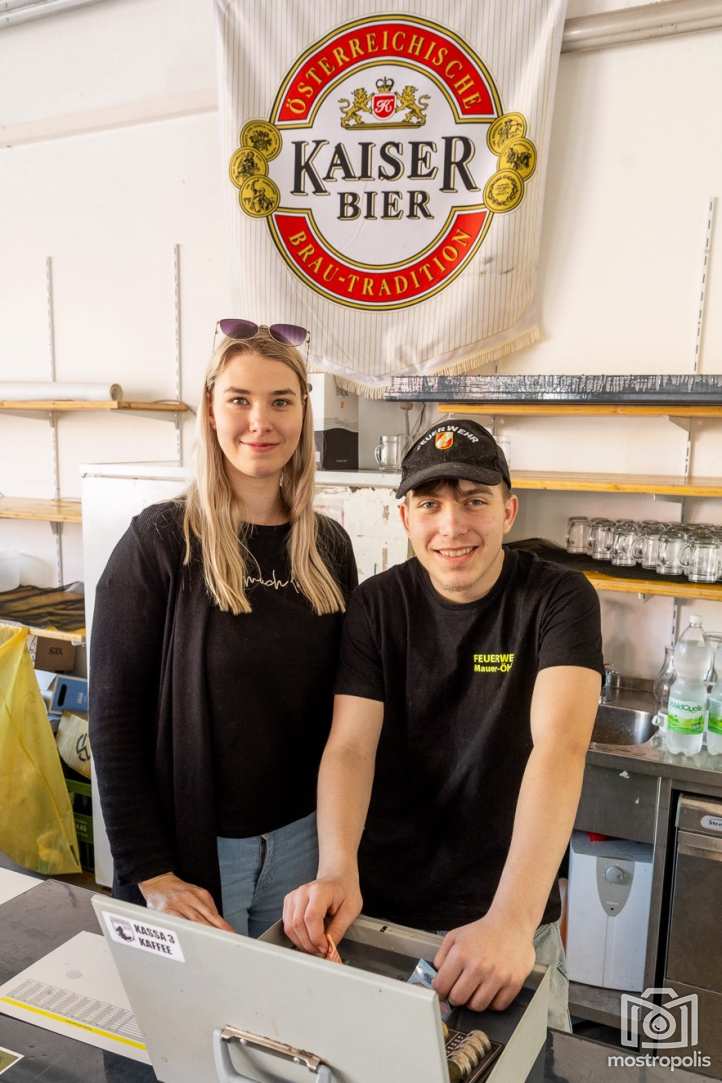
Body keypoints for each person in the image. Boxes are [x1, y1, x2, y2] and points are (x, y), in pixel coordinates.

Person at [283, 419, 603, 1029]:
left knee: (522, 1069)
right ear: (405, 518)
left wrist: (510, 922)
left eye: (474, 501)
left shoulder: (558, 598)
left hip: (507, 925)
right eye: (430, 504)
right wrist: (336, 868)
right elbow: (350, 747)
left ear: (508, 511)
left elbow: (560, 747)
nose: (452, 526)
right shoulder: (377, 605)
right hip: (382, 918)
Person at [89, 321, 357, 937]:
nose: (260, 422)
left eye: (280, 401)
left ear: (303, 414)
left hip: (304, 846)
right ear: (210, 411)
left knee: (284, 1000)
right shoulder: (161, 542)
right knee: (197, 1002)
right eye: (240, 399)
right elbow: (113, 717)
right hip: (197, 850)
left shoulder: (329, 547)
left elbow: (346, 711)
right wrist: (150, 871)